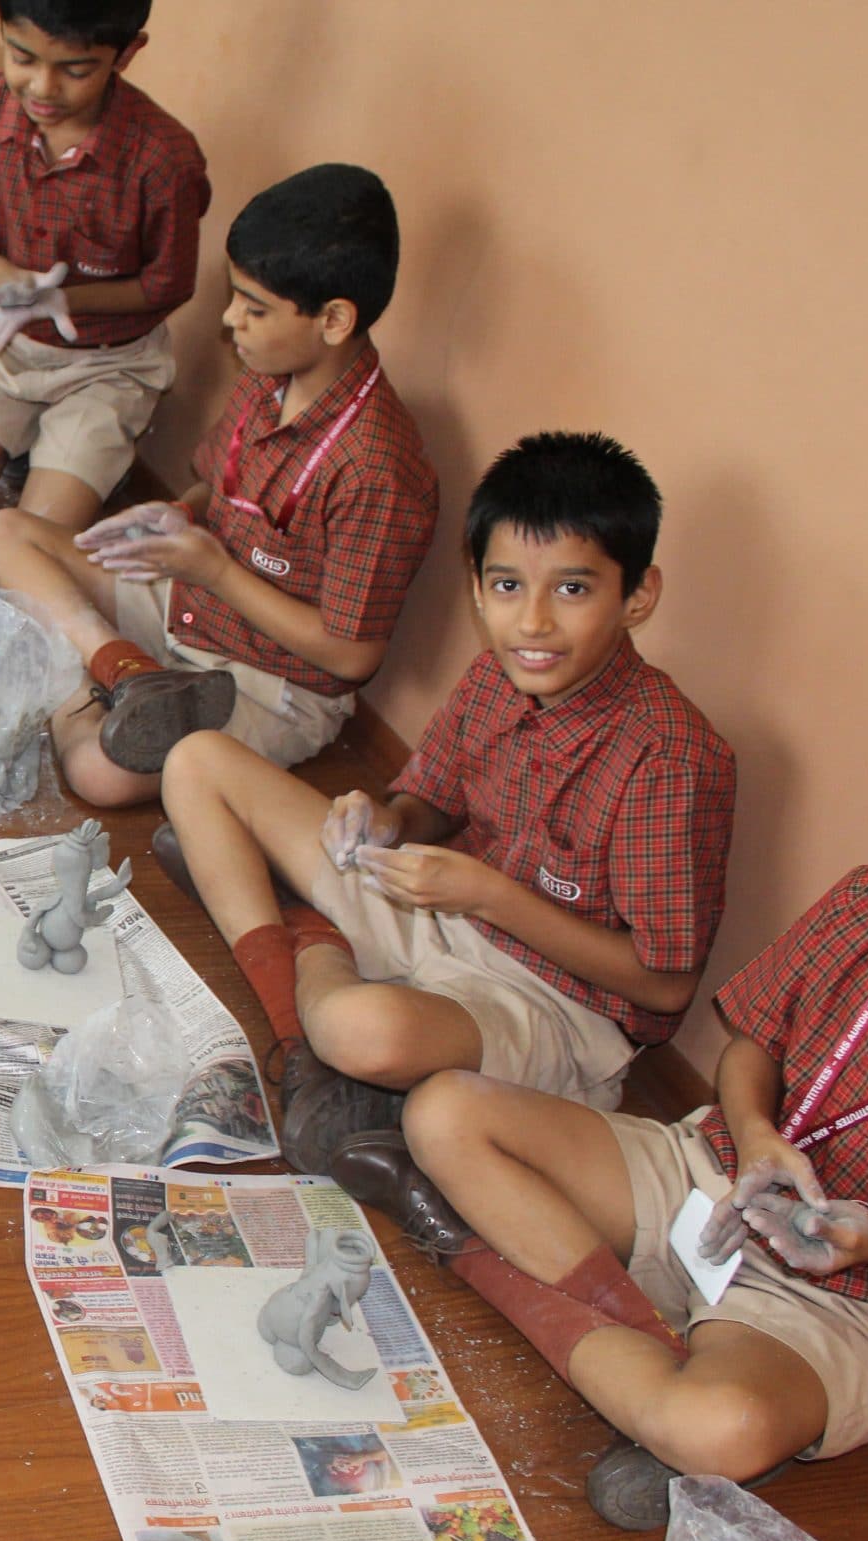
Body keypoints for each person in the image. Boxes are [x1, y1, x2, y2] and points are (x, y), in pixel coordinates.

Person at [381, 721, 868, 1529]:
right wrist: (756, 1135)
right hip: (711, 1167)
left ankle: (482, 1254)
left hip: (843, 1296)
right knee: (446, 1113)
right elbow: (754, 1043)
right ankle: (649, 1368)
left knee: (716, 1427)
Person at [157, 433, 735, 1170]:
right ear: (477, 588)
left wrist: (488, 895)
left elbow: (665, 984)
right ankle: (299, 1032)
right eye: (507, 586)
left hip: (556, 1004)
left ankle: (305, 936)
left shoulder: (670, 758)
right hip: (437, 913)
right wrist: (386, 818)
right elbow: (428, 800)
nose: (533, 622)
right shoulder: (496, 676)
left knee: (366, 1031)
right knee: (196, 762)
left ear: (638, 595)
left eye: (572, 589)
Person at [0, 165, 438, 802]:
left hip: (270, 681)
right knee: (4, 532)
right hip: (187, 601)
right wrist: (176, 512)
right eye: (235, 298)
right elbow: (213, 487)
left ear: (335, 319)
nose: (230, 321)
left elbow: (351, 655)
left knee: (99, 774)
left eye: (254, 308)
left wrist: (217, 573)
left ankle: (45, 634)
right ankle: (119, 665)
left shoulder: (376, 467)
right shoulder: (268, 375)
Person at [0, 0, 207, 551]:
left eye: (76, 69)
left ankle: (71, 453)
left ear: (126, 54)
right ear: (2, 32)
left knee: (32, 545)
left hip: (106, 364)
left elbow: (166, 286)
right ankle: (28, 448)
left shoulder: (164, 157)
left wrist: (63, 298)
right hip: (2, 347)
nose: (42, 87)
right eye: (22, 58)